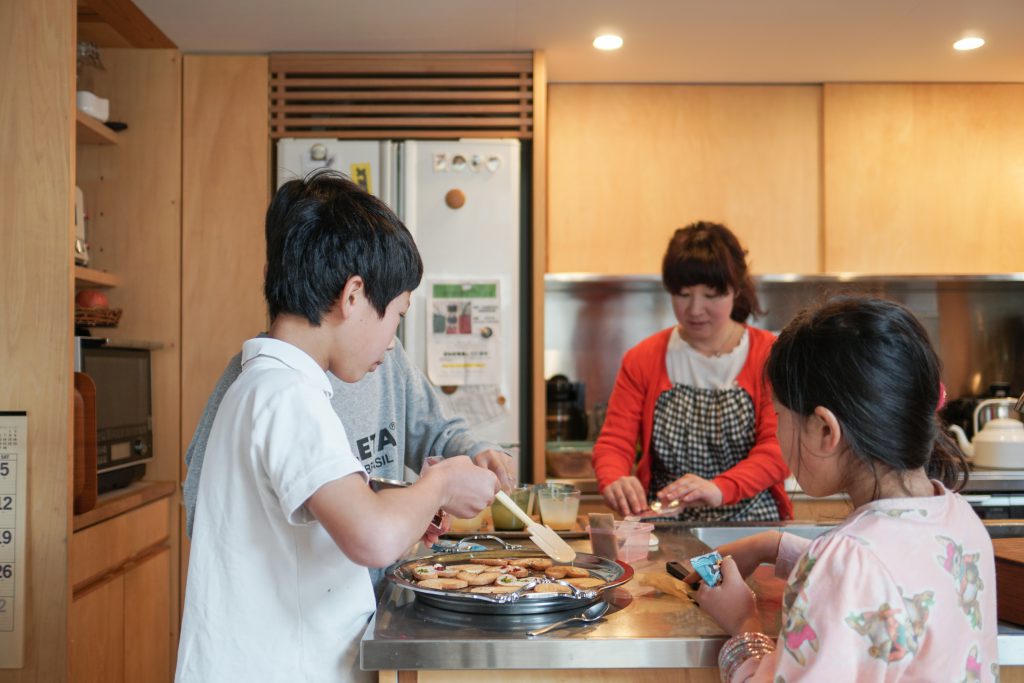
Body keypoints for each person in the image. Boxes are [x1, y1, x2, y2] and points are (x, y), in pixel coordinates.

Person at [175, 171, 500, 683]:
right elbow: (369, 537)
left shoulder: (270, 384)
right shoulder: (286, 397)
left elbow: (346, 515)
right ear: (353, 296)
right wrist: (439, 483)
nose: (393, 343)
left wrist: (413, 509)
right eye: (396, 315)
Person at [692, 296, 997, 681]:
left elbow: (855, 576)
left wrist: (744, 625)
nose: (777, 429)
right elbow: (895, 580)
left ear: (824, 430)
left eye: (779, 415)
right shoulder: (962, 521)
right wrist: (775, 545)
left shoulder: (843, 565)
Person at [593, 221, 792, 521]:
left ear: (736, 290)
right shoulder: (643, 358)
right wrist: (615, 478)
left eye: (711, 295)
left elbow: (780, 447)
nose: (695, 309)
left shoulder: (770, 355)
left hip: (752, 523)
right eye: (683, 294)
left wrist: (720, 488)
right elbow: (614, 443)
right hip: (665, 522)